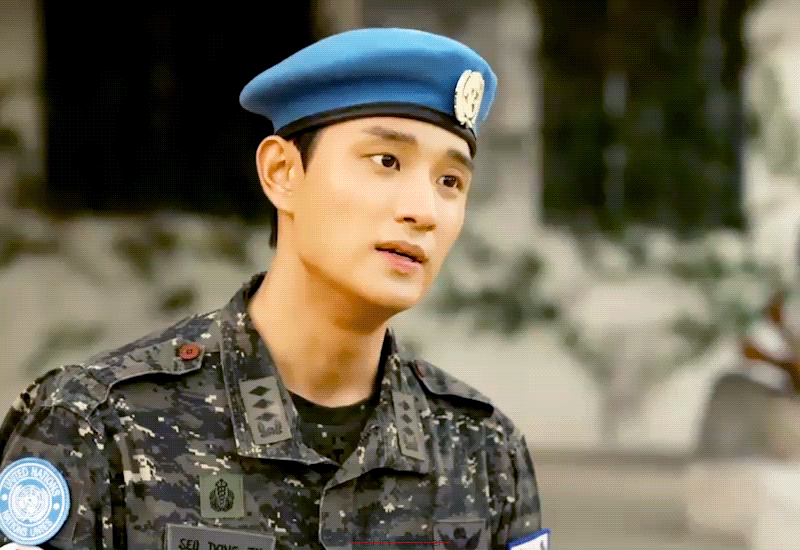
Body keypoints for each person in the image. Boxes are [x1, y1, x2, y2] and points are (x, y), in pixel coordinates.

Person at [0, 28, 545, 550]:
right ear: (282, 172)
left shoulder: (485, 454)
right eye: (387, 161)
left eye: (450, 181)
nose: (424, 211)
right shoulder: (97, 430)